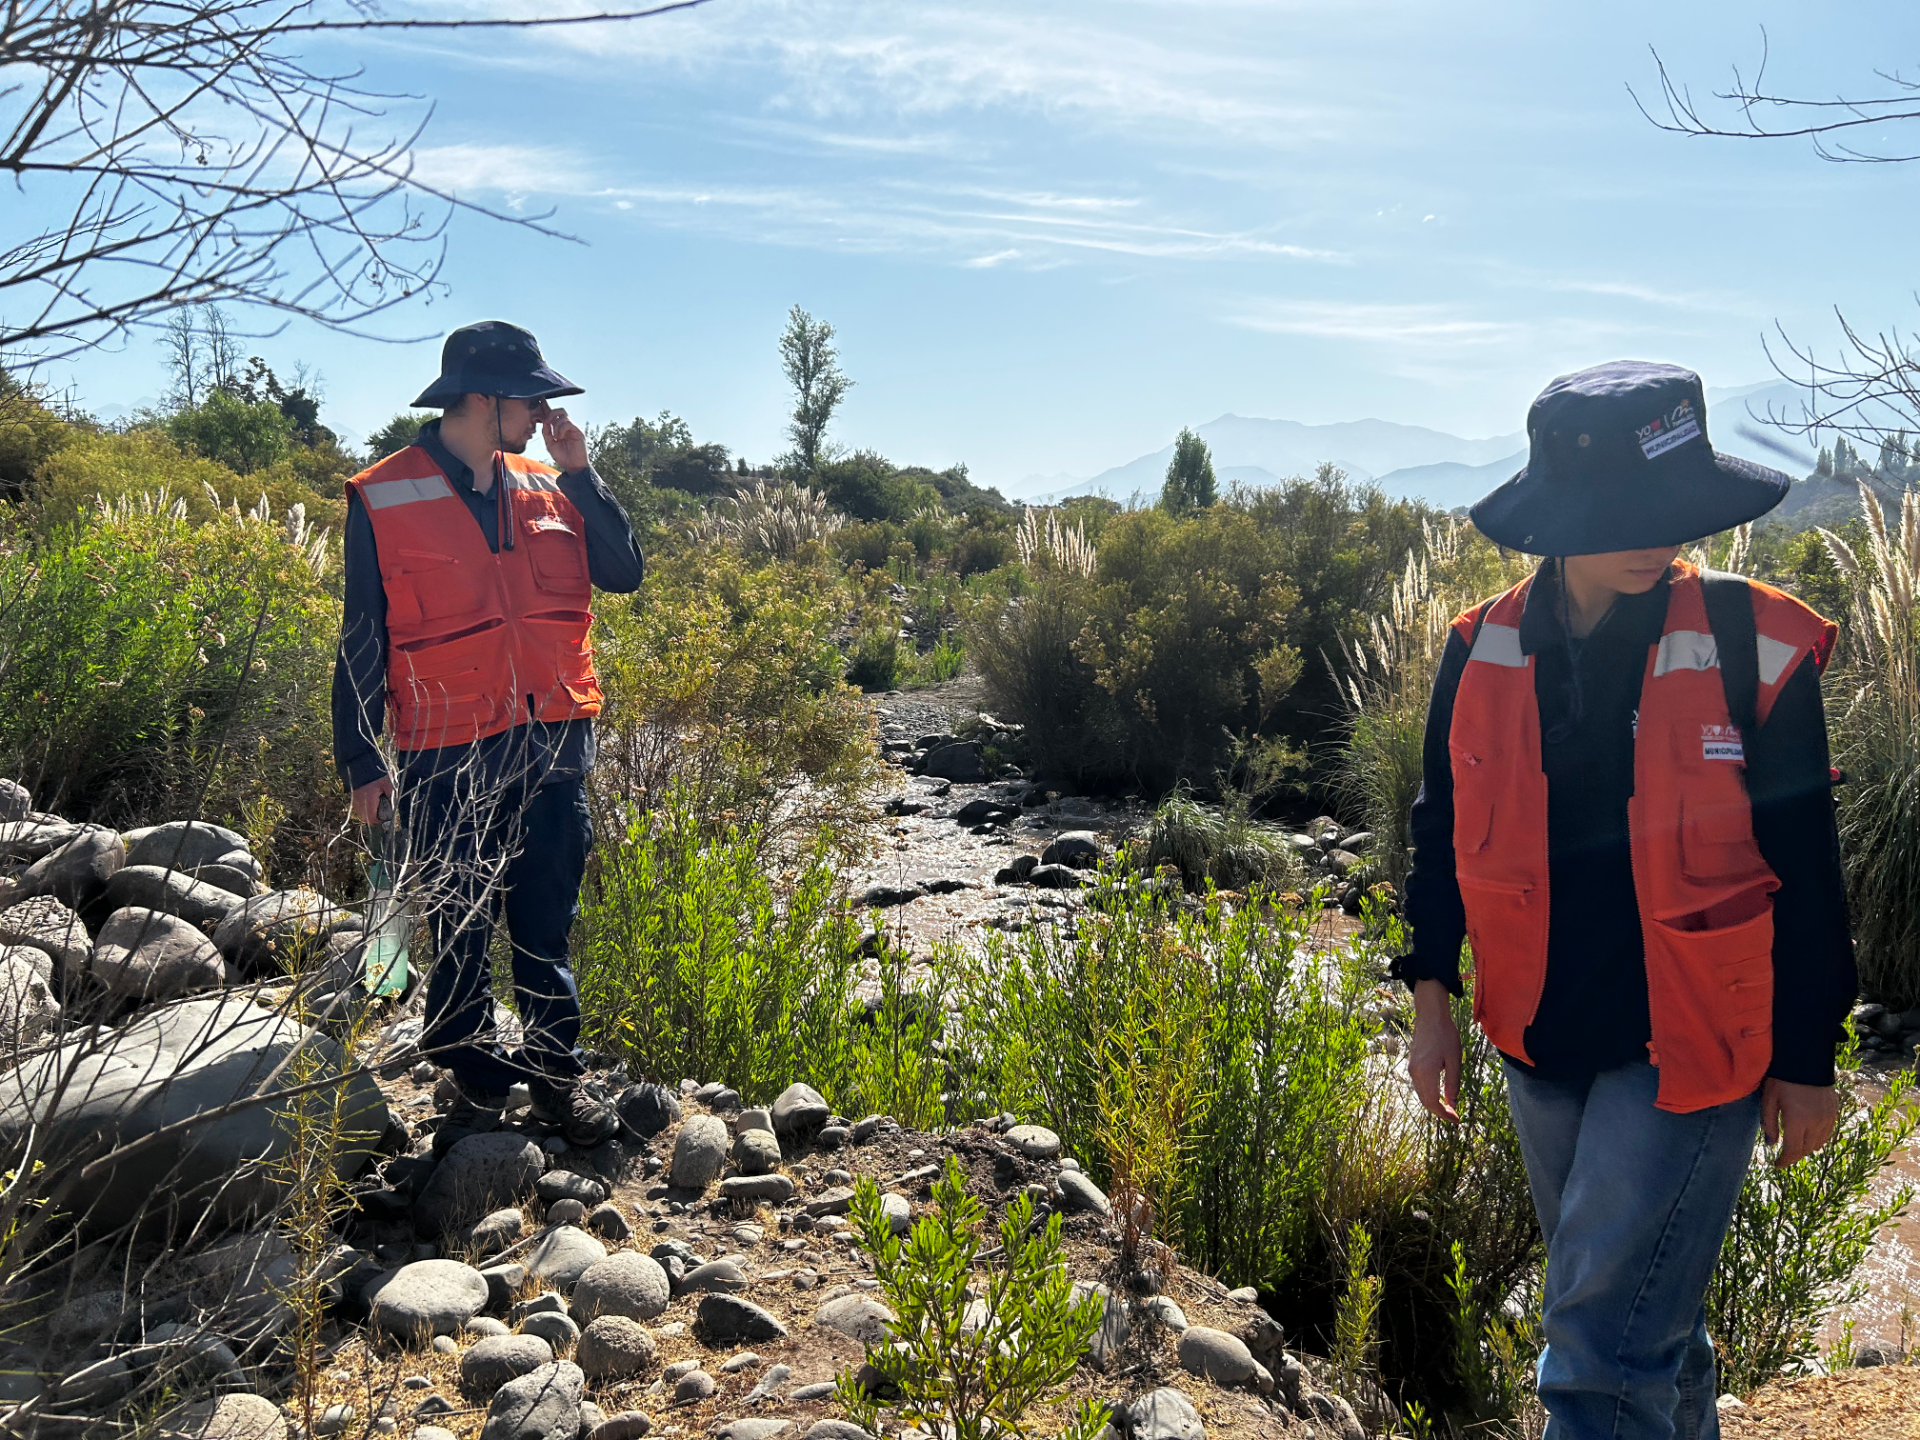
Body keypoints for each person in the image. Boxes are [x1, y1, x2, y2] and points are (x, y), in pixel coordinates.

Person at [1396, 362, 1855, 1439]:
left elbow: (1809, 862)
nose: (1662, 539)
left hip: (1691, 1043)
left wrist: (1808, 1057)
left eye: (1676, 512)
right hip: (1540, 1036)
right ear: (1559, 518)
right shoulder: (1479, 645)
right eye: (1630, 517)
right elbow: (1437, 831)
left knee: (1594, 1356)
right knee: (1650, 1324)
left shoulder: (1755, 640)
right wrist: (1430, 1002)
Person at [333, 320, 644, 1146]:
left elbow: (624, 573)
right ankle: (469, 1073)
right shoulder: (383, 493)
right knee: (459, 915)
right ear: (480, 400)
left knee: (545, 918)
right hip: (446, 746)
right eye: (529, 396)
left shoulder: (552, 484)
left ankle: (553, 1074)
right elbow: (363, 632)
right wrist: (361, 758)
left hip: (551, 742)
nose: (543, 411)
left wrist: (583, 475)